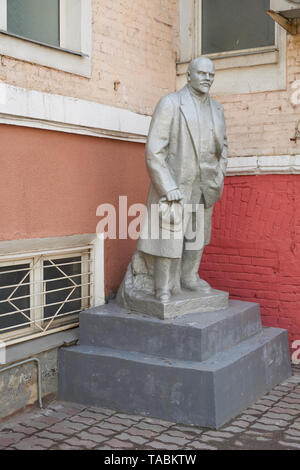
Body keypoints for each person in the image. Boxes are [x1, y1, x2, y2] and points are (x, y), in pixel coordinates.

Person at [117, 57, 228, 305]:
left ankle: (189, 277)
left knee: (197, 236)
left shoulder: (217, 109)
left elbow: (224, 147)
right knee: (168, 237)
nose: (207, 78)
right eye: (201, 73)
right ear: (189, 76)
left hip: (206, 184)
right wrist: (168, 186)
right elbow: (154, 151)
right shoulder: (171, 103)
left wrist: (219, 174)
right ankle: (162, 286)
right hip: (176, 186)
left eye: (211, 74)